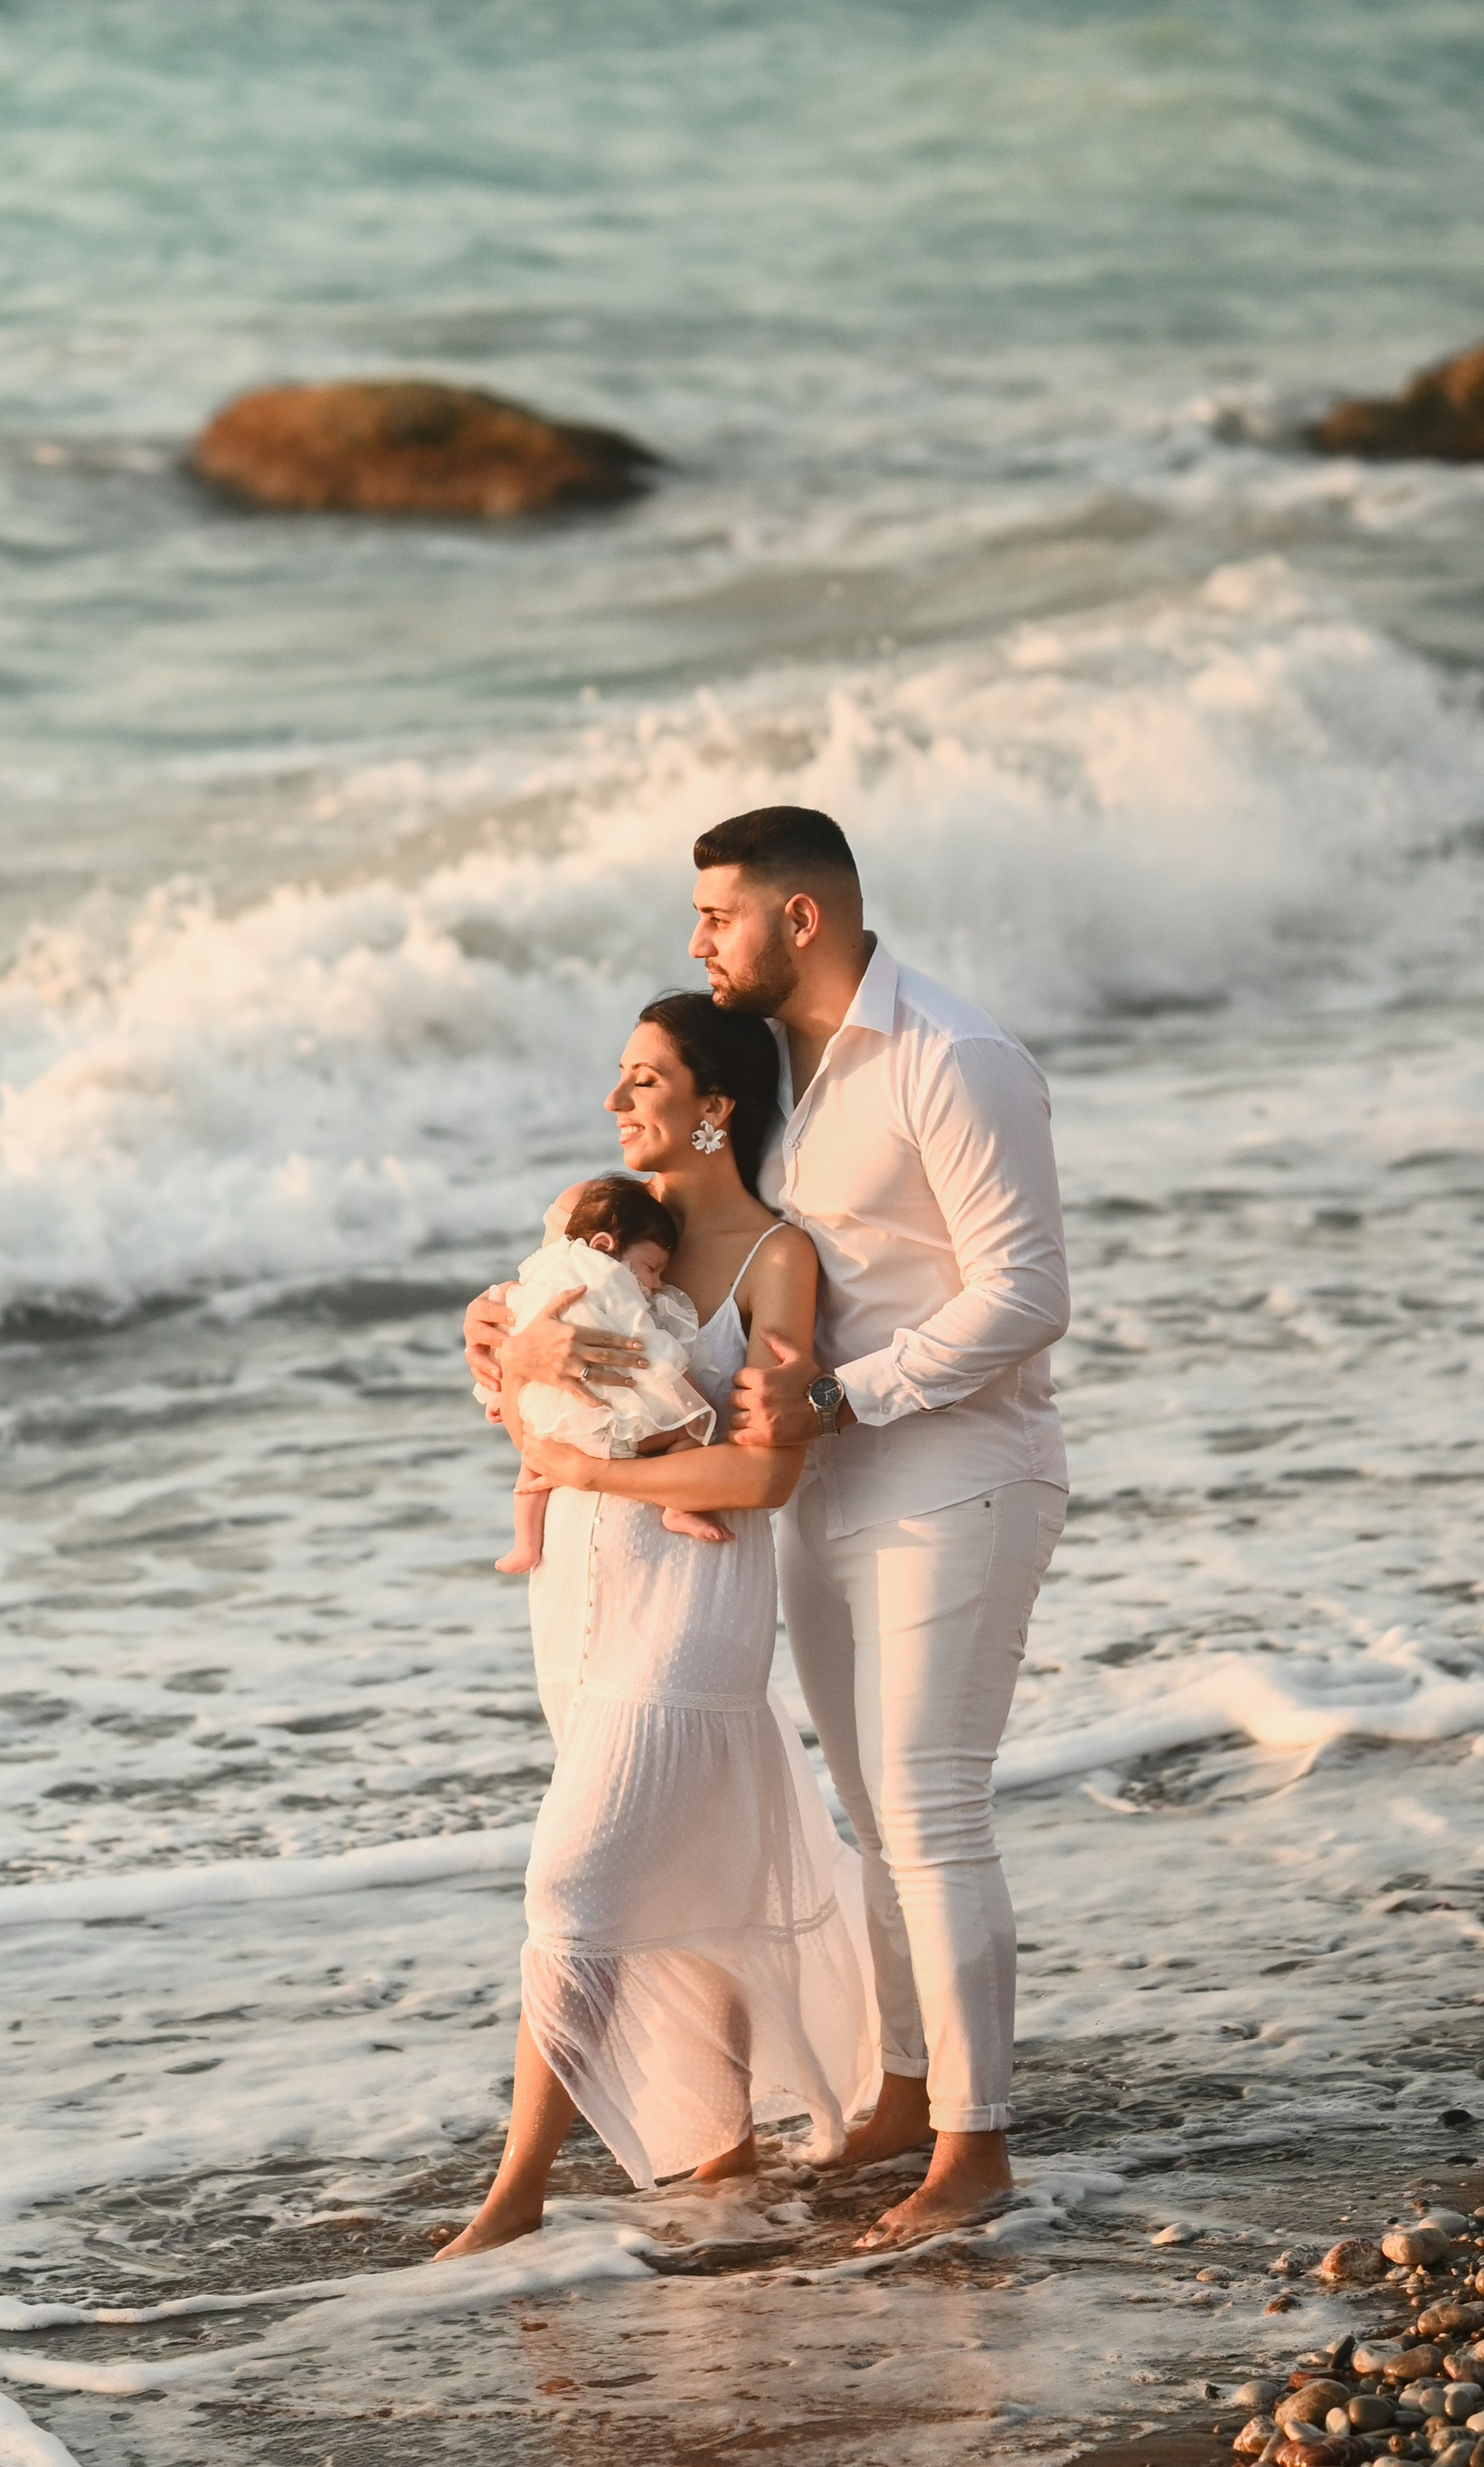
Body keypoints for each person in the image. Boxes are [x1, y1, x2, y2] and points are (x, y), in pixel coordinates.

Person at [694, 805, 1070, 2251]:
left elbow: (1024, 1292)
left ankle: (977, 2152)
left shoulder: (953, 1058)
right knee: (871, 1814)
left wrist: (847, 1400)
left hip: (957, 1472)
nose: (696, 943)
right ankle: (908, 2093)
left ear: (801, 917)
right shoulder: (768, 1079)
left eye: (716, 915)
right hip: (824, 1482)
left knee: (931, 1806)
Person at [442, 995, 874, 2257]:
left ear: (717, 1105)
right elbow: (526, 1410)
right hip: (581, 1593)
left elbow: (763, 1479)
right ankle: (720, 2154)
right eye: (620, 1080)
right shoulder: (592, 1237)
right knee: (675, 1877)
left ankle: (516, 2192)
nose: (619, 1103)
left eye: (644, 1081)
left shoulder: (776, 1260)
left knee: (573, 1884)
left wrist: (601, 1479)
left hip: (698, 1607)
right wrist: (499, 1355)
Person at [481, 1172, 719, 1576]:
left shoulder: (545, 1267)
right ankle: (677, 1508)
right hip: (605, 1424)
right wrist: (680, 1378)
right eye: (651, 1268)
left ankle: (525, 1543)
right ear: (606, 1246)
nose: (656, 1284)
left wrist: (495, 1395)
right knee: (694, 1426)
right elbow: (642, 1338)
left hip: (546, 1419)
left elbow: (512, 1321)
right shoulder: (611, 1278)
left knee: (531, 1470)